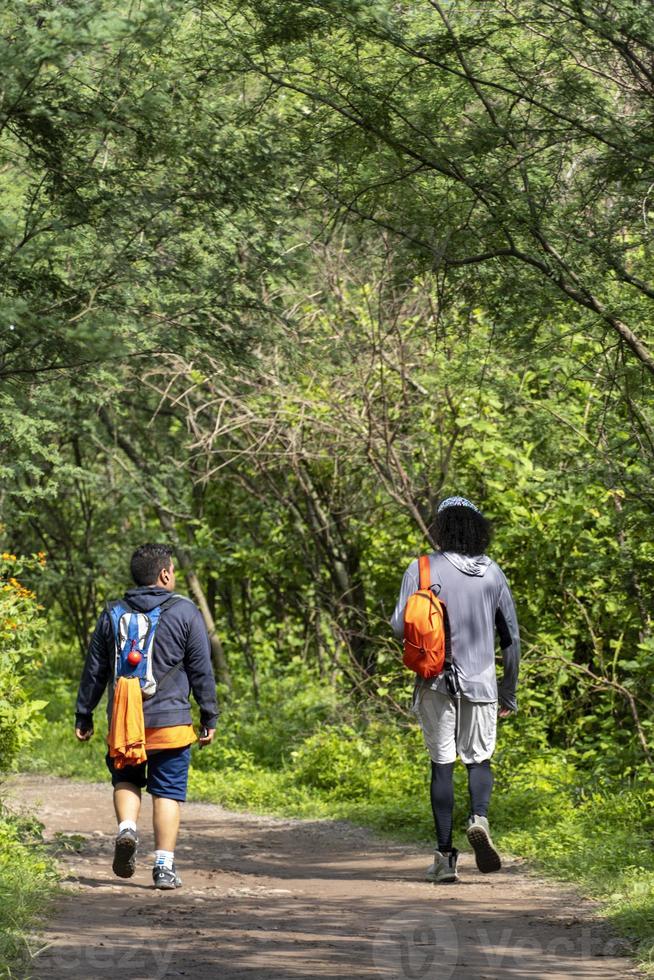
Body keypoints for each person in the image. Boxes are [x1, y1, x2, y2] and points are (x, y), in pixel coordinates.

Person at [391, 496, 520, 884]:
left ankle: (445, 859)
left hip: (435, 681)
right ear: (478, 529)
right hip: (482, 683)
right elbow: (510, 637)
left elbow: (400, 626)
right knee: (479, 760)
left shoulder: (422, 568)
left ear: (441, 528)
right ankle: (479, 818)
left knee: (442, 764)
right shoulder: (493, 573)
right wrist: (508, 692)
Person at [74, 543, 218, 889]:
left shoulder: (112, 613)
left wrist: (85, 714)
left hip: (125, 722)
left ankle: (126, 830)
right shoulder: (186, 612)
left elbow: (95, 670)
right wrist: (209, 715)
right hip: (170, 723)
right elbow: (201, 670)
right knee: (167, 792)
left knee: (125, 780)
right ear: (165, 574)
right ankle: (164, 867)